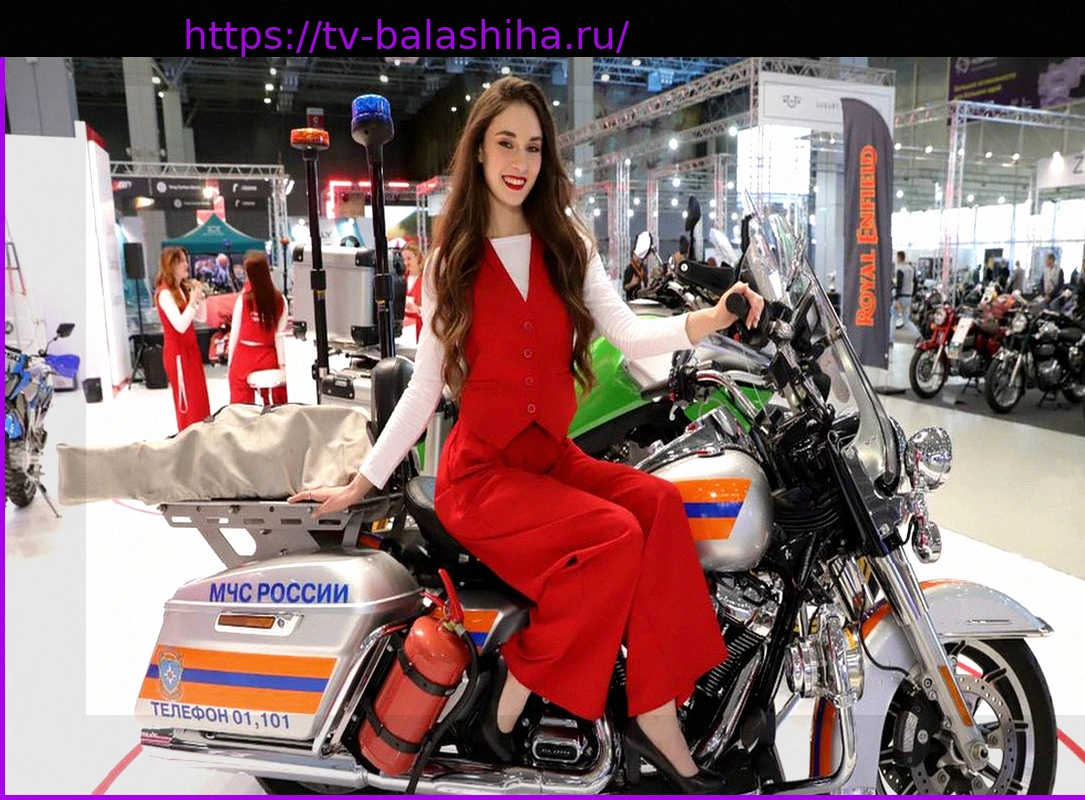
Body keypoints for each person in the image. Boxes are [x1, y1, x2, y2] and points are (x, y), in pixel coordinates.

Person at [289, 77, 765, 793]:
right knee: (614, 538)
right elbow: (425, 388)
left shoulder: (565, 241)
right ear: (479, 151)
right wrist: (363, 480)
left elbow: (629, 332)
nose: (520, 161)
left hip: (550, 459)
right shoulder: (452, 259)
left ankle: (656, 707)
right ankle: (510, 700)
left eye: (534, 147)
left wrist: (710, 321)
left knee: (660, 505)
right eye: (506, 142)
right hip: (482, 476)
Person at [155, 246, 211, 432]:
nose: (187, 265)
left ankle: (201, 437)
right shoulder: (165, 294)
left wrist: (199, 297)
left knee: (199, 398)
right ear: (171, 265)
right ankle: (188, 439)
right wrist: (192, 301)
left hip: (191, 351)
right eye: (182, 261)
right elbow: (180, 325)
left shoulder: (181, 289)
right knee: (187, 402)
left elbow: (201, 317)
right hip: (178, 354)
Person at [227, 251, 288, 406]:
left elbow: (234, 333)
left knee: (239, 395)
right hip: (268, 355)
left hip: (244, 355)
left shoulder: (243, 300)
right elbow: (279, 335)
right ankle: (277, 409)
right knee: (278, 391)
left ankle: (242, 416)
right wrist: (282, 364)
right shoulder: (280, 300)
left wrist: (230, 363)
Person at [402, 241, 426, 341]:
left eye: (409, 258)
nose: (406, 263)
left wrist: (418, 309)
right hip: (405, 330)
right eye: (403, 259)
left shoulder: (425, 279)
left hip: (421, 328)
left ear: (417, 258)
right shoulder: (402, 279)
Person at [892, 251, 918, 336]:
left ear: (899, 258)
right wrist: (914, 294)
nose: (896, 259)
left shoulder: (900, 269)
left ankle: (890, 338)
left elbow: (899, 285)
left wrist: (896, 298)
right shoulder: (911, 269)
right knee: (906, 320)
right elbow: (916, 282)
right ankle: (918, 336)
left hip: (901, 297)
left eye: (896, 257)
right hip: (908, 297)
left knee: (893, 317)